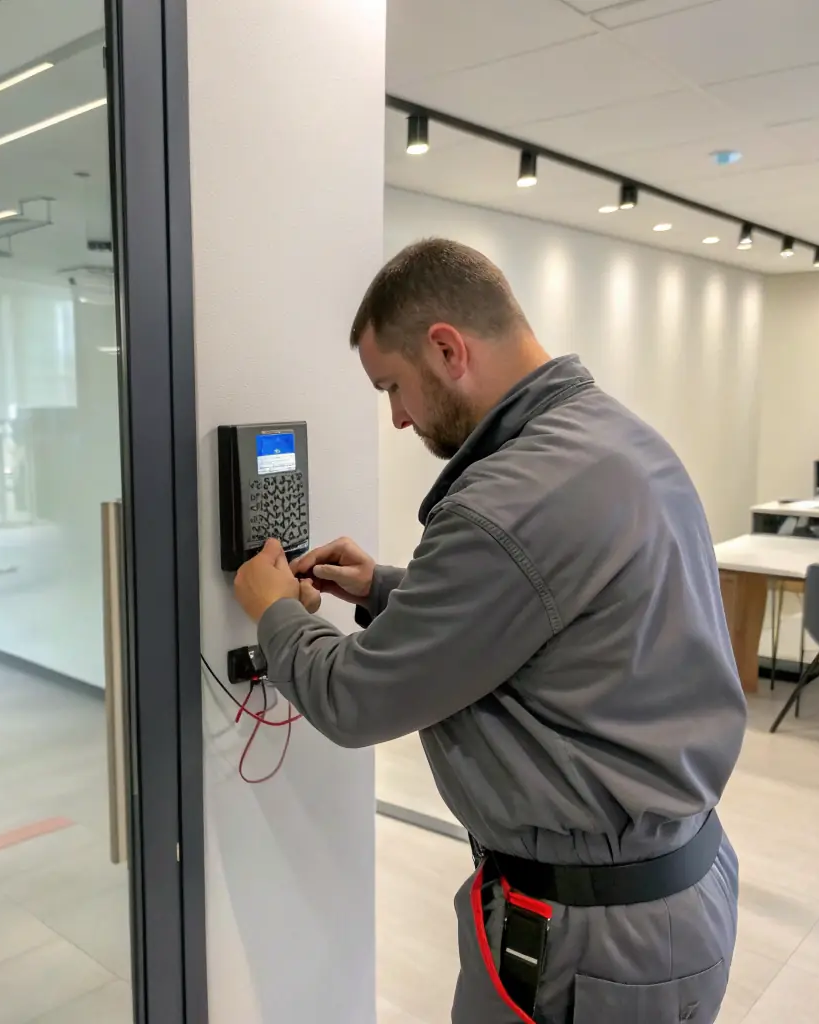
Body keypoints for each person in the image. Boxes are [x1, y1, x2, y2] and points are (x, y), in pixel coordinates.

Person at [232, 239, 746, 1024]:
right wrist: (383, 589)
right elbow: (559, 619)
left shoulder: (501, 502)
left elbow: (355, 700)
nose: (397, 417)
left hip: (591, 940)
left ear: (446, 348)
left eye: (392, 388)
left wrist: (270, 608)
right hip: (679, 892)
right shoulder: (617, 439)